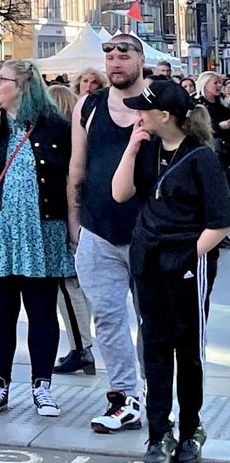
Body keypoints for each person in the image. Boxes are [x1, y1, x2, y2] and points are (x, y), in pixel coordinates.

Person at [112, 79, 230, 463]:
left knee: (188, 351)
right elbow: (120, 193)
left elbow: (220, 223)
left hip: (186, 265)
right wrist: (131, 148)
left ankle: (191, 428)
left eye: (143, 110)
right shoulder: (148, 149)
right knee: (155, 349)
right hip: (149, 261)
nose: (137, 115)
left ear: (164, 115)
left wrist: (187, 256)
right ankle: (158, 432)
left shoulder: (202, 158)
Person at [0, 59, 71, 418]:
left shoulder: (55, 126)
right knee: (1, 311)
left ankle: (42, 386)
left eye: (2, 79)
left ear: (23, 86)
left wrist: (75, 227)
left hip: (42, 232)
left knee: (42, 311)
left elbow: (72, 176)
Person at [68, 33, 149, 433]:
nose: (115, 61)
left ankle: (157, 394)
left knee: (153, 321)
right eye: (109, 54)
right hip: (99, 230)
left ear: (140, 59)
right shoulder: (89, 105)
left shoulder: (160, 102)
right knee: (108, 318)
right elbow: (77, 167)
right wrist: (75, 223)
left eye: (124, 54)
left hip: (151, 233)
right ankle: (124, 398)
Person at [47, 84, 96, 376]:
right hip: (81, 219)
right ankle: (81, 345)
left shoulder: (61, 140)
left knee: (68, 286)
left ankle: (81, 348)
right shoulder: (79, 138)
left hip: (67, 220)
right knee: (75, 286)